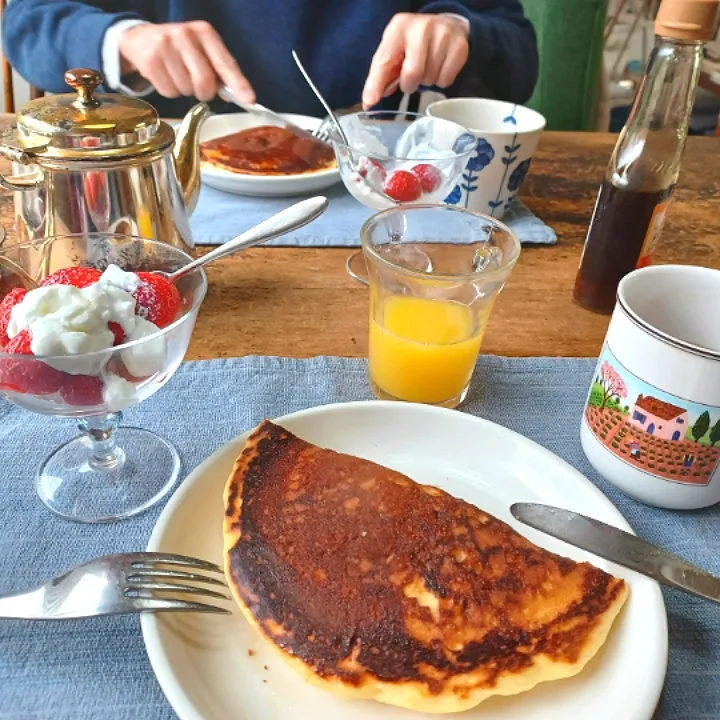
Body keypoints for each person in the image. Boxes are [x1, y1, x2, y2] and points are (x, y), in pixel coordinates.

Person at [2, 1, 538, 119]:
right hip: (177, 204)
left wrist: (463, 30)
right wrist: (122, 40)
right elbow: (27, 24)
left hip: (390, 203)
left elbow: (517, 50)